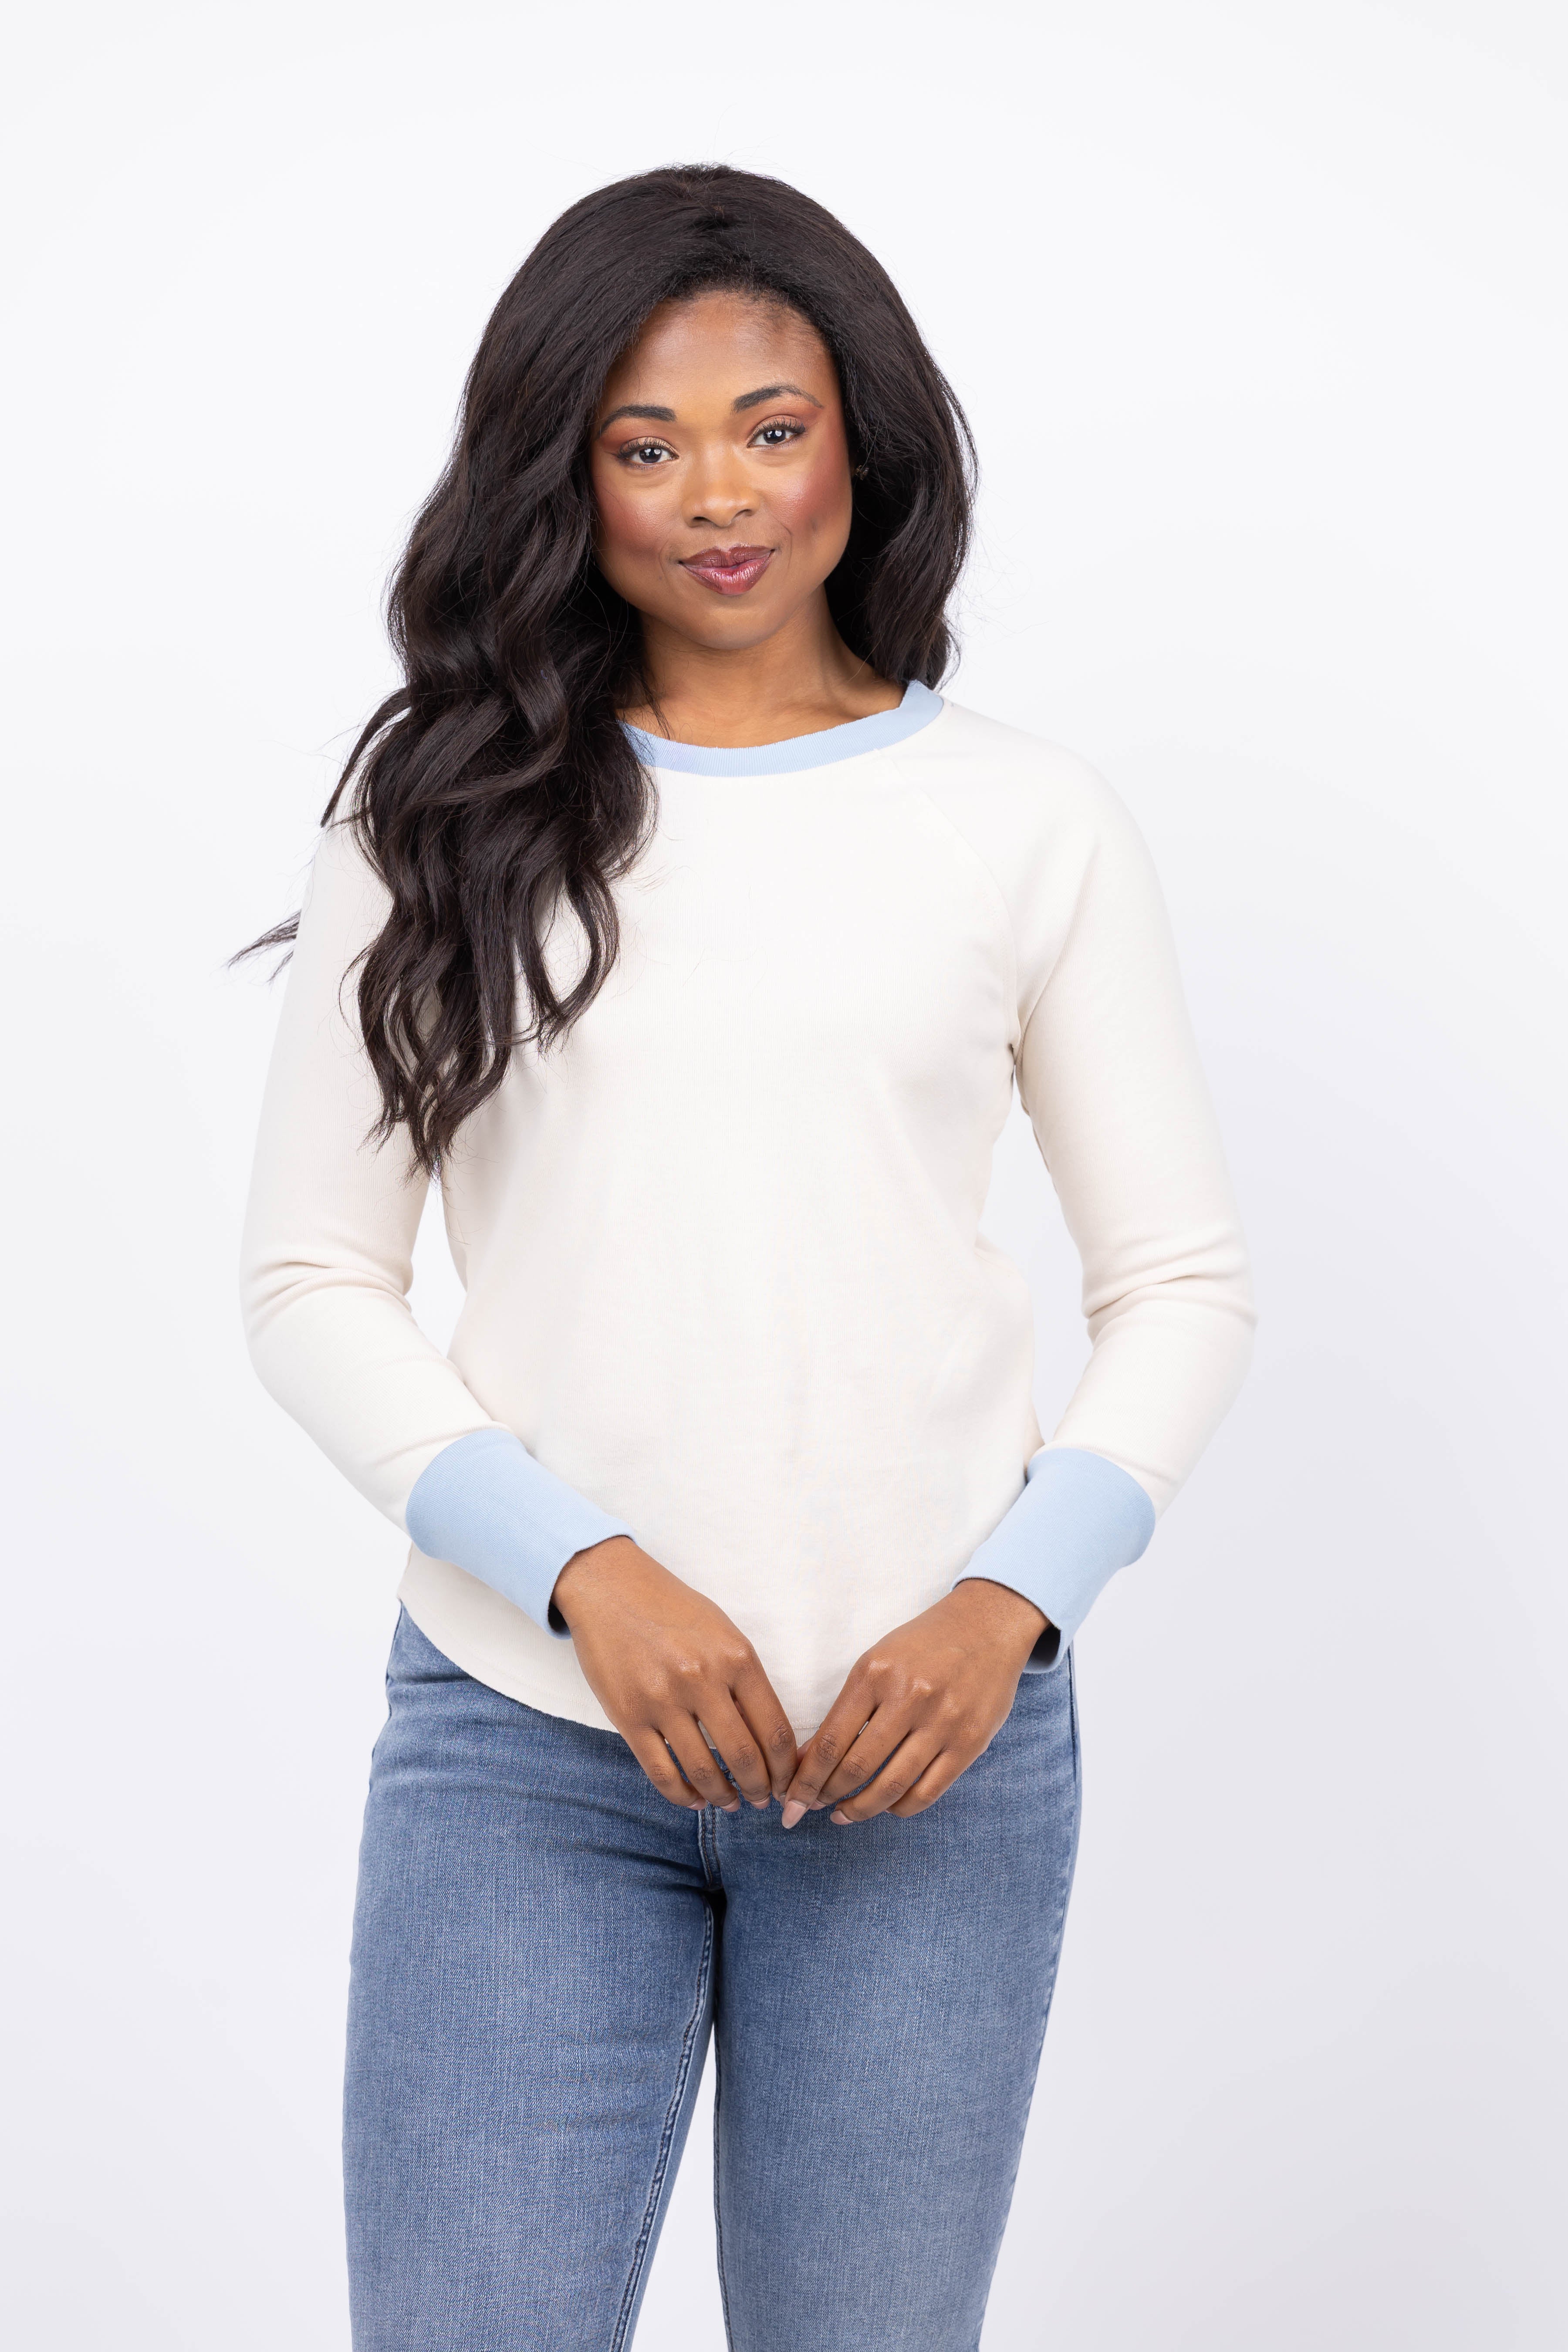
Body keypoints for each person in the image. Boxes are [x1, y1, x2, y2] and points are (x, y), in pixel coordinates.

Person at [240, 162, 1254, 2352]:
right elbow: (312, 1280)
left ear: (858, 443)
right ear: (564, 475)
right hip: (525, 1747)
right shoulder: (438, 818)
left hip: (929, 1753)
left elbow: (1179, 1284)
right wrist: (586, 1572)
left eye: (771, 429)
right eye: (647, 444)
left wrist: (1007, 1603)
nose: (719, 495)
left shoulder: (1026, 820)